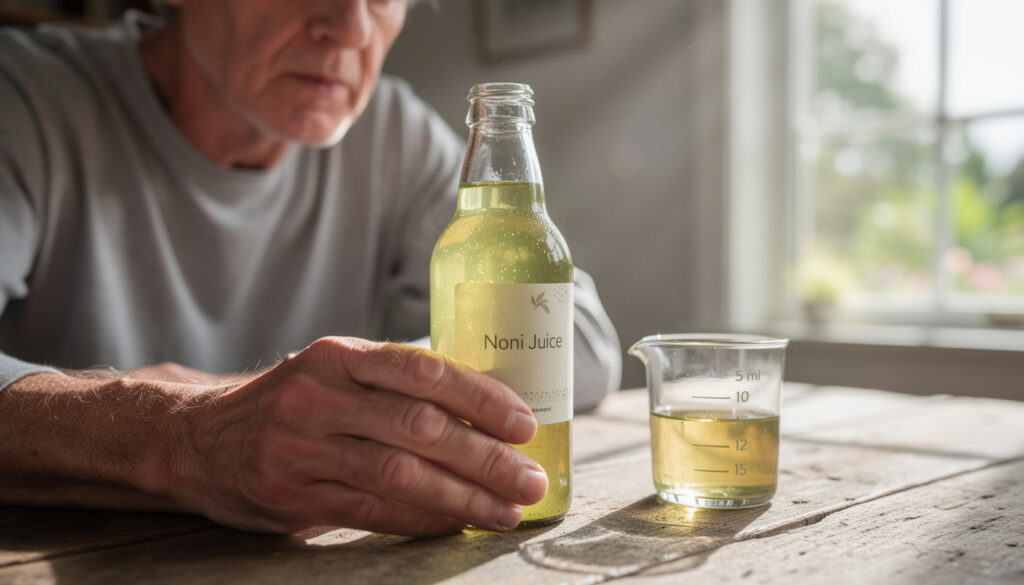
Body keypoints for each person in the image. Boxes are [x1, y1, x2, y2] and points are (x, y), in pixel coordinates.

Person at [0, 0, 622, 536]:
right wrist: (182, 435)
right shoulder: (25, 99)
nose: (351, 27)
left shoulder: (392, 132)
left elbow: (586, 338)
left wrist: (362, 392)